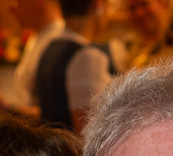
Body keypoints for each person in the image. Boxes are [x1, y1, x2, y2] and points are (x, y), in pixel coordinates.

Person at [34, 0, 117, 131]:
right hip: (70, 143)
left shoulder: (49, 49)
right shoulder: (87, 56)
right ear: (97, 5)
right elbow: (88, 130)